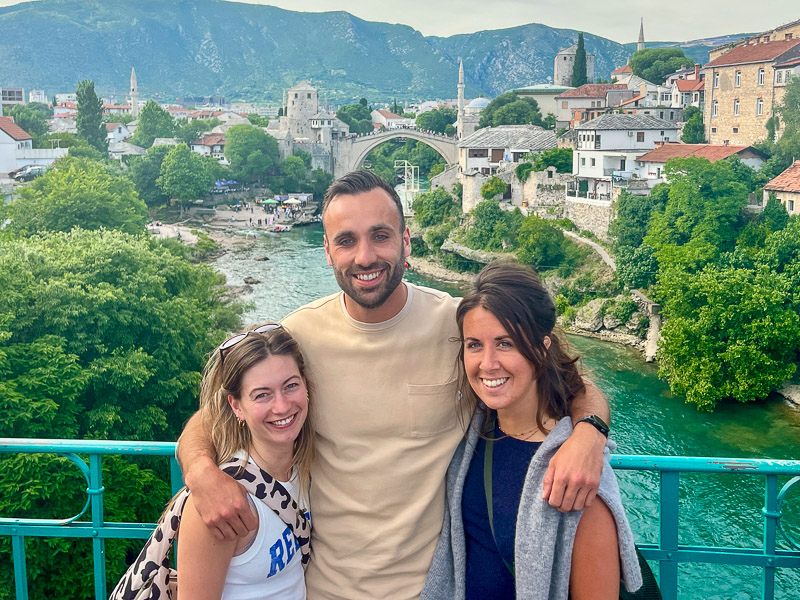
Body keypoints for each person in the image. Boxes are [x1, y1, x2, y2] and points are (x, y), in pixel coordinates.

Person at [178, 171, 611, 600]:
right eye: (346, 241)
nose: (365, 256)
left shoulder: (459, 325)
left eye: (380, 236)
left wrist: (589, 436)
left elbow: (565, 375)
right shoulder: (300, 336)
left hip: (434, 589)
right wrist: (200, 472)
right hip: (325, 590)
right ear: (327, 251)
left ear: (405, 242)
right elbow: (215, 414)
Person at [422, 261, 642, 600]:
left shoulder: (576, 476)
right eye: (474, 345)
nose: (488, 363)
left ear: (541, 348)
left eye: (506, 343)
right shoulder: (474, 428)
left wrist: (588, 435)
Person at [177, 324, 313, 599]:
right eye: (262, 394)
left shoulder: (302, 467)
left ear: (306, 386)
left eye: (291, 386)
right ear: (236, 406)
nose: (282, 406)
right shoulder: (222, 503)